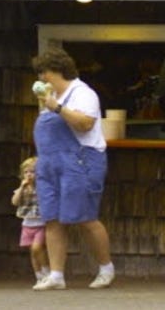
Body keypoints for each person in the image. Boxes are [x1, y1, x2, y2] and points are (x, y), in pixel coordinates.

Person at [31, 48, 116, 291]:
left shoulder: (82, 93)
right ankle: (56, 275)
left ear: (56, 71)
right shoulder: (51, 97)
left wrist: (57, 108)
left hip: (80, 162)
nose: (41, 78)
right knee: (53, 219)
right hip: (50, 166)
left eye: (44, 72)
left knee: (86, 217)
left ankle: (106, 268)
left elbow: (85, 123)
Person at [11, 156, 49, 287]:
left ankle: (46, 272)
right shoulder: (23, 188)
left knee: (37, 248)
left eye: (32, 172)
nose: (29, 174)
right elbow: (14, 202)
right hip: (27, 224)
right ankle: (39, 276)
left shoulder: (42, 188)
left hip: (40, 223)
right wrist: (22, 188)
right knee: (33, 252)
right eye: (26, 172)